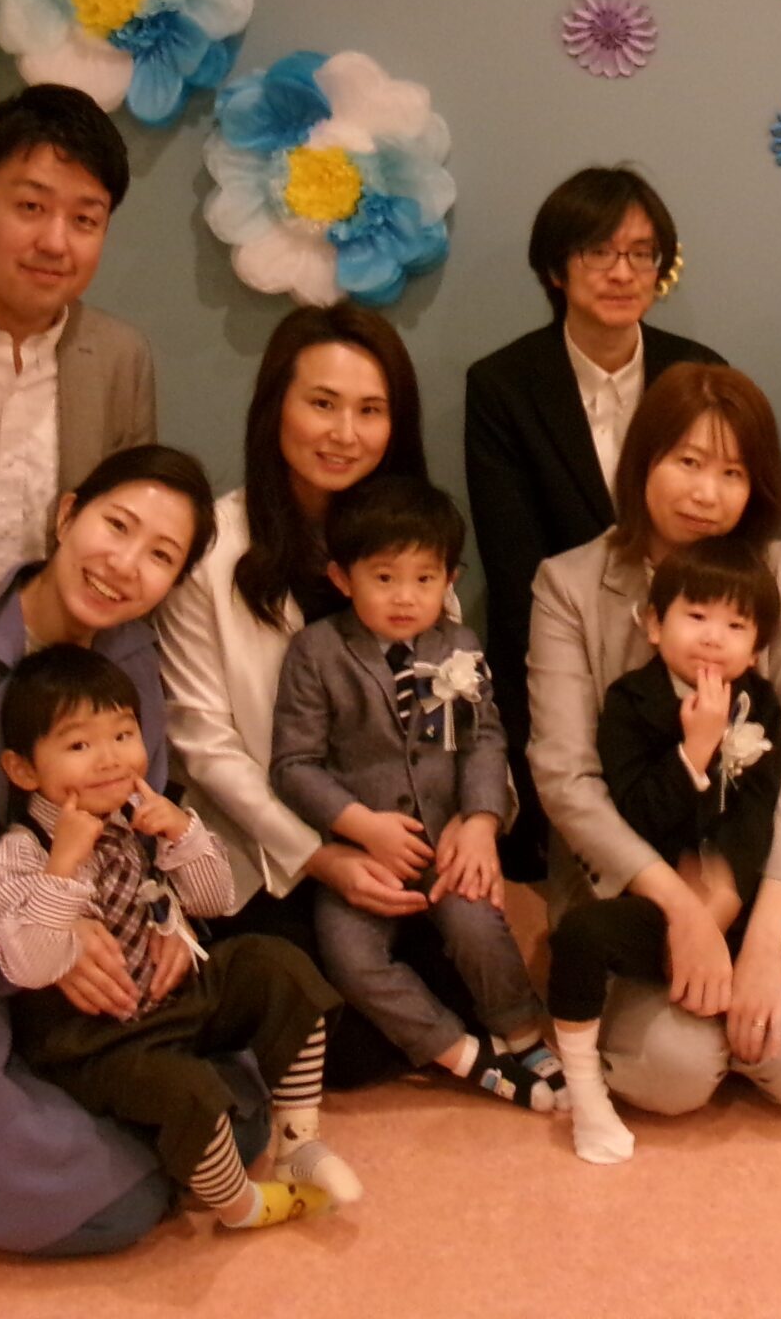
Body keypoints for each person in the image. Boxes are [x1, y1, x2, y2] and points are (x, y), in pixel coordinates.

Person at [529, 362, 781, 1119]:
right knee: (671, 1075)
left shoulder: (779, 570)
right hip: (638, 874)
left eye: (732, 473)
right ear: (643, 460)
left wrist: (764, 936)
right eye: (687, 462)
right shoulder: (569, 584)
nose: (707, 494)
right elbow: (566, 780)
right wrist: (682, 909)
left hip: (768, 861)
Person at [157, 304, 467, 1085]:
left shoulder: (413, 539)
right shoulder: (213, 549)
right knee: (328, 1038)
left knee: (464, 985)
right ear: (276, 407)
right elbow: (203, 744)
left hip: (403, 837)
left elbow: (456, 706)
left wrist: (470, 822)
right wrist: (324, 858)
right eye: (322, 403)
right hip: (273, 849)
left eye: (370, 410)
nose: (344, 433)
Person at [549, 537, 781, 1163]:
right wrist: (693, 753)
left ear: (756, 648)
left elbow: (762, 819)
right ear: (655, 624)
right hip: (665, 904)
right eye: (696, 616)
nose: (712, 638)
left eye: (735, 626)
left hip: (752, 901)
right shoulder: (629, 703)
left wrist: (731, 906)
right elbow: (638, 817)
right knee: (581, 936)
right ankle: (584, 1085)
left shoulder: (763, 701)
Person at [0, 443, 261, 1257]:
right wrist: (50, 933)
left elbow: (146, 817)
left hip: (108, 972)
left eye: (161, 556)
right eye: (117, 526)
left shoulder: (131, 655)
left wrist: (168, 920)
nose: (126, 565)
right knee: (113, 1206)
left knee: (238, 1121)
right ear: (68, 515)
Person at [0, 646, 358, 1229]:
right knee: (188, 1090)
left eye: (123, 735)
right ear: (23, 770)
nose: (110, 759)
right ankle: (239, 1206)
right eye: (79, 746)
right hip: (94, 1040)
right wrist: (63, 870)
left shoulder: (137, 816)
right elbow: (26, 964)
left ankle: (297, 1141)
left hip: (169, 998)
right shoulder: (21, 851)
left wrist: (183, 835)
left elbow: (216, 899)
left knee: (273, 963)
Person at [271, 476, 563, 1110]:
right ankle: (458, 1052)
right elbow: (294, 765)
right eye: (384, 578)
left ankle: (520, 1030)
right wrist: (359, 825)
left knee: (479, 925)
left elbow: (484, 739)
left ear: (449, 579)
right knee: (350, 956)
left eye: (424, 579)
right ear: (342, 578)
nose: (405, 596)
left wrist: (480, 818)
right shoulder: (316, 652)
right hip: (364, 852)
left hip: (447, 840)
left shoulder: (459, 645)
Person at [465, 167, 724, 874]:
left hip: (691, 638)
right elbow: (514, 561)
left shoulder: (697, 371)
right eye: (599, 251)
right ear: (557, 268)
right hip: (561, 639)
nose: (622, 272)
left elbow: (720, 533)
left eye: (641, 253)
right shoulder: (504, 385)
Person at [0, 85, 156, 599]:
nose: (55, 243)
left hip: (55, 644)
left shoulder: (120, 358)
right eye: (31, 206)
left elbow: (131, 536)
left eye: (84, 220)